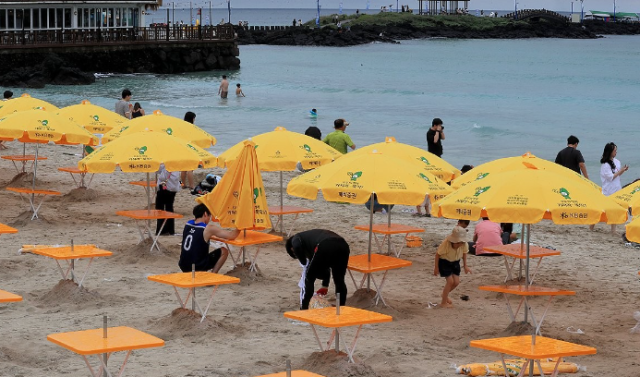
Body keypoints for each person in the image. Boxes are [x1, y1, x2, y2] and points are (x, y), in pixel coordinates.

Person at [286, 229, 350, 310]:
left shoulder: (296, 238)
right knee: (339, 280)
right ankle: (340, 308)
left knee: (309, 277)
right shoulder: (311, 240)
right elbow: (325, 268)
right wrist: (325, 285)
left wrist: (303, 261)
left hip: (326, 244)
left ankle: (304, 309)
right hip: (343, 245)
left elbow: (297, 246)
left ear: (291, 248)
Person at [179, 204, 239, 273]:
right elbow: (232, 235)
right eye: (209, 216)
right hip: (197, 267)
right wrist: (241, 226)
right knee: (224, 251)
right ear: (205, 214)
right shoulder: (208, 229)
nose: (209, 219)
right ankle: (213, 274)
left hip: (183, 265)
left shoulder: (188, 224)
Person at [593, 142, 629, 234]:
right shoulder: (605, 165)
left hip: (616, 188)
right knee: (601, 210)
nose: (616, 152)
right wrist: (620, 171)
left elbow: (617, 175)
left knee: (615, 210)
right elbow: (610, 177)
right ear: (609, 152)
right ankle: (591, 225)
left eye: (616, 150)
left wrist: (623, 171)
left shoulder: (617, 162)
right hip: (608, 190)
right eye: (614, 150)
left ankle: (613, 230)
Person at [434, 226, 471, 308]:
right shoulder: (446, 243)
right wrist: (436, 267)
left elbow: (464, 253)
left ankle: (444, 294)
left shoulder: (464, 245)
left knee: (456, 282)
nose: (459, 245)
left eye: (461, 243)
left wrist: (465, 266)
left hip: (455, 262)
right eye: (457, 242)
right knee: (450, 281)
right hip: (445, 262)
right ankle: (443, 302)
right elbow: (438, 254)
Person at [155, 163, 181, 235]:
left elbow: (159, 172)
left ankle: (161, 230)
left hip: (165, 188)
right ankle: (170, 230)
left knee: (160, 209)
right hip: (173, 189)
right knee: (169, 208)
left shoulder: (167, 164)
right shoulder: (176, 165)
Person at [181, 112, 197, 190]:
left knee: (183, 168)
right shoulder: (191, 127)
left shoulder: (182, 126)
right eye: (194, 118)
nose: (194, 120)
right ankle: (191, 185)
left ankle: (183, 184)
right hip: (189, 147)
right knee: (190, 168)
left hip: (182, 147)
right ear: (191, 119)